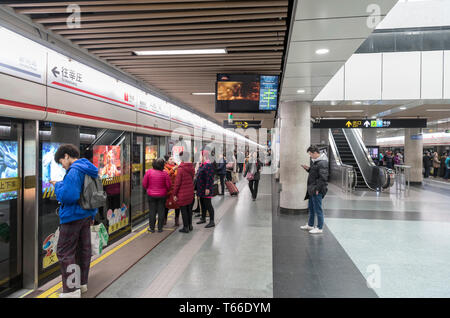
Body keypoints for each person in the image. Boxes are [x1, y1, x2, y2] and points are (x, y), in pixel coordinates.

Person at [51, 144, 98, 298]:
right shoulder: (89, 168)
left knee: (64, 251)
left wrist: (57, 186)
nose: (62, 165)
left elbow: (69, 196)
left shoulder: (74, 171)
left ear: (66, 156)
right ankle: (82, 283)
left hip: (73, 216)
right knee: (83, 250)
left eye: (61, 162)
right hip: (87, 214)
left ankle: (71, 290)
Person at [300, 146, 329, 234]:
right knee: (312, 208)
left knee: (318, 209)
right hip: (312, 188)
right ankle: (310, 224)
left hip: (317, 189)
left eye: (310, 154)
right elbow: (315, 174)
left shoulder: (322, 163)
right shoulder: (316, 162)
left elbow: (323, 178)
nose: (310, 156)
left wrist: (317, 189)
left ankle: (319, 227)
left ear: (315, 153)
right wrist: (308, 169)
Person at [142, 158, 171, 233]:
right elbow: (168, 185)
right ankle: (160, 228)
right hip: (162, 195)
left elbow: (144, 184)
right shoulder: (165, 173)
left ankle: (152, 228)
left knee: (152, 211)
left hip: (151, 195)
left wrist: (148, 189)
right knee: (161, 211)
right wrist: (165, 190)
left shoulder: (149, 172)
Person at [173, 151, 195, 233]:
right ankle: (190, 225)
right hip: (190, 191)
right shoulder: (191, 167)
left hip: (182, 192)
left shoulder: (181, 169)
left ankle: (185, 227)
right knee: (189, 209)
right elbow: (192, 178)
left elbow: (177, 183)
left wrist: (174, 194)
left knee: (183, 210)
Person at [196, 150, 216, 228]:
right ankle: (203, 218)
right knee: (202, 203)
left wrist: (207, 188)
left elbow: (210, 178)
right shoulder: (202, 165)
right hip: (201, 188)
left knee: (208, 204)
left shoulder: (208, 165)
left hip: (206, 188)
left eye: (201, 155)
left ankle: (212, 221)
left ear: (205, 156)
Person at [164, 157, 180, 226]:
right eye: (170, 159)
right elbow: (166, 175)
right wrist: (173, 170)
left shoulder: (178, 167)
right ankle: (164, 219)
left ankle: (177, 220)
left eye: (173, 159)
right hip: (168, 189)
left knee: (177, 205)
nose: (172, 160)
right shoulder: (165, 168)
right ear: (167, 161)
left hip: (176, 189)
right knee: (166, 205)